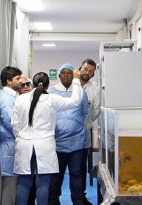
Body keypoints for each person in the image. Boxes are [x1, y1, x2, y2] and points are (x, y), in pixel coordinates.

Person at [11, 70, 83, 205]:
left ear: (32, 84)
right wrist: (76, 81)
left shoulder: (20, 98)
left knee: (24, 183)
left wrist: (21, 138)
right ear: (47, 85)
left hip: (23, 144)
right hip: (45, 145)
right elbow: (75, 101)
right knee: (43, 184)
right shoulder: (52, 99)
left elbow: (14, 124)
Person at [48, 64, 88, 205]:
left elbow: (84, 114)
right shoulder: (51, 92)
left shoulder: (80, 92)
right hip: (56, 144)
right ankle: (53, 201)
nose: (66, 75)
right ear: (59, 76)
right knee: (55, 176)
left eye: (69, 73)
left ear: (73, 76)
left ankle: (78, 201)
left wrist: (71, 126)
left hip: (76, 143)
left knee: (77, 175)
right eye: (63, 73)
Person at [0, 66, 23, 205]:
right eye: (17, 78)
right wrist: (23, 136)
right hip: (9, 145)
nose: (20, 81)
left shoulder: (12, 96)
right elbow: (10, 121)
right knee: (9, 186)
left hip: (13, 144)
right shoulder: (6, 98)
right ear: (8, 81)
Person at [79, 59, 99, 205]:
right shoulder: (68, 86)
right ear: (80, 68)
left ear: (93, 74)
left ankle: (80, 198)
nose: (87, 72)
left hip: (83, 136)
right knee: (58, 170)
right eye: (85, 69)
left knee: (80, 169)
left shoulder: (95, 90)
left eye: (91, 71)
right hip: (62, 138)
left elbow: (96, 112)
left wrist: (84, 125)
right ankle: (53, 199)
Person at [17, 75, 36, 205]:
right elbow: (13, 125)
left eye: (27, 84)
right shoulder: (17, 101)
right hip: (22, 146)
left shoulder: (37, 101)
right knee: (24, 182)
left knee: (35, 181)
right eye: (22, 85)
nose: (25, 87)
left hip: (36, 148)